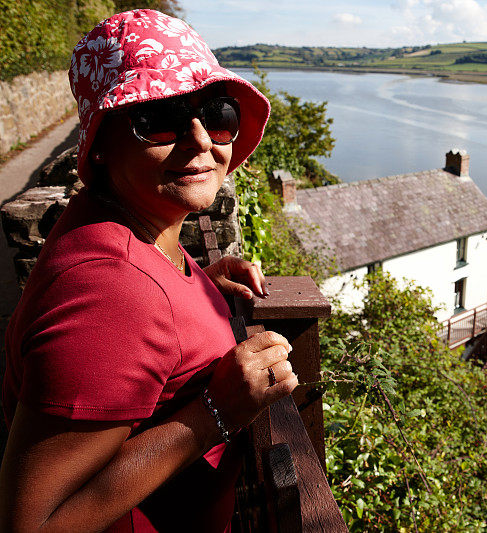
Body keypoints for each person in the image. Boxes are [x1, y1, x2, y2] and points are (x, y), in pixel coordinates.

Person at [0, 10, 297, 532]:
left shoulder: (125, 226)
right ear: (100, 146)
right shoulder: (111, 290)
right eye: (159, 117)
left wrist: (199, 282)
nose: (203, 140)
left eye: (218, 112)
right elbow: (35, 523)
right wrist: (215, 410)